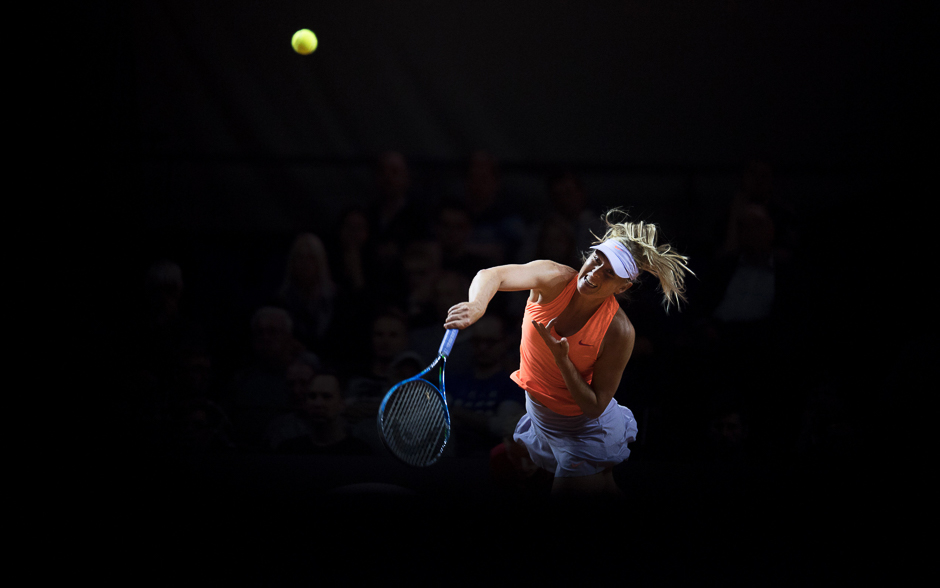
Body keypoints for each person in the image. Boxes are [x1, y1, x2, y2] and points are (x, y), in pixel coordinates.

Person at [444, 209, 692, 498]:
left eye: (609, 273)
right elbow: (492, 275)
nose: (594, 273)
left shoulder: (619, 331)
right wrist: (477, 305)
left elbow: (595, 406)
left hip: (584, 432)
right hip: (541, 418)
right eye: (596, 259)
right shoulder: (553, 278)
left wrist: (563, 361)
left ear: (623, 287)